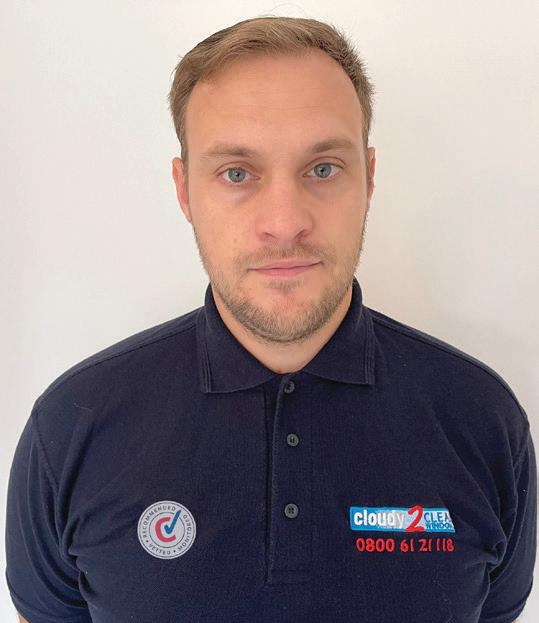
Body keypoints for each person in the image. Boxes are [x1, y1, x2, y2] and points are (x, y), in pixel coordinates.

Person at [5, 15, 536, 623]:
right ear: (184, 190)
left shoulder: (483, 420)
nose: (285, 223)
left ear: (369, 178)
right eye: (237, 173)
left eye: (323, 168)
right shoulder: (71, 428)